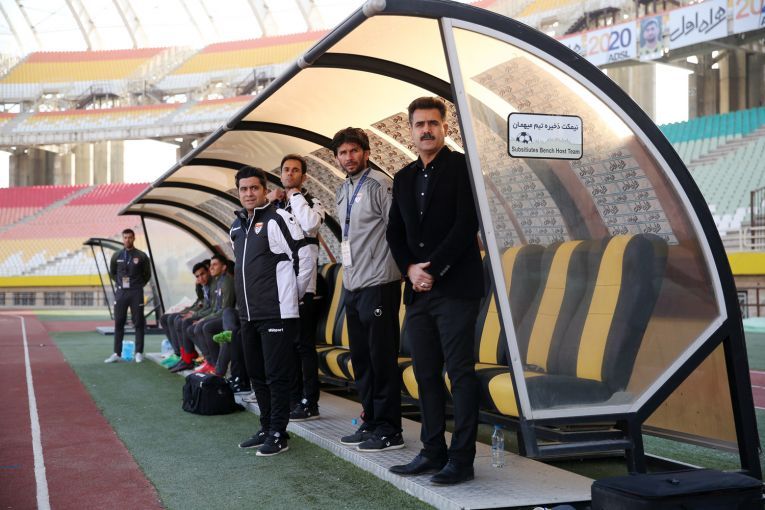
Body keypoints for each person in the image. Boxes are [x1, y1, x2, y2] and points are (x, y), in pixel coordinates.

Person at [386, 97, 484, 485]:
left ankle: (462, 459)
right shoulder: (403, 177)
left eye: (433, 123)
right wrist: (410, 269)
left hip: (457, 287)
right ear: (410, 131)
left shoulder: (463, 167)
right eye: (419, 124)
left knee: (459, 373)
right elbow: (395, 232)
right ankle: (432, 451)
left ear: (446, 128)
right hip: (418, 291)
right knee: (425, 373)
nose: (426, 130)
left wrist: (432, 270)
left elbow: (466, 224)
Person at [332, 127, 404, 452]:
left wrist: (401, 269)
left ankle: (390, 429)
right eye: (343, 153)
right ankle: (372, 421)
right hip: (353, 284)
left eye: (354, 151)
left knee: (381, 359)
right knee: (362, 360)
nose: (349, 158)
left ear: (366, 153)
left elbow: (397, 229)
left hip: (379, 283)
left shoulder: (379, 184)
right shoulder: (341, 190)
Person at [232, 166, 311, 457]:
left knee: (277, 376)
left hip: (276, 312)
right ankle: (266, 427)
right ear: (238, 192)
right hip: (248, 314)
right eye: (244, 189)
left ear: (265, 190)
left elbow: (304, 256)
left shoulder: (278, 218)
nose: (249, 193)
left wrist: (293, 295)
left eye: (254, 188)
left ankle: (279, 433)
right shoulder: (236, 227)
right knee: (257, 375)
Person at [266, 154, 325, 421]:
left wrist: (295, 195)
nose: (289, 174)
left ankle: (310, 402)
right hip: (281, 289)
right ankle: (293, 397)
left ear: (304, 176)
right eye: (286, 170)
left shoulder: (312, 202)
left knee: (304, 345)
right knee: (287, 346)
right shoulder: (275, 207)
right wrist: (270, 201)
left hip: (305, 287)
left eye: (295, 170)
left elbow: (311, 224)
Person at [105, 228, 151, 364]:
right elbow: (112, 273)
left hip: (136, 292)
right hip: (121, 293)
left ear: (134, 238)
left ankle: (138, 353)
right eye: (125, 237)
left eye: (130, 237)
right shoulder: (116, 255)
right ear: (122, 239)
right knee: (119, 322)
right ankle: (116, 353)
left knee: (139, 322)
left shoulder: (141, 256)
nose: (127, 240)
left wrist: (138, 285)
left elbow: (147, 274)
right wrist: (120, 283)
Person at [159, 261, 210, 367]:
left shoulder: (218, 283)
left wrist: (196, 315)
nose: (200, 278)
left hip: (207, 313)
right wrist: (198, 286)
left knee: (182, 321)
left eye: (202, 274)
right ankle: (180, 354)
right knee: (167, 318)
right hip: (200, 309)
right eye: (197, 276)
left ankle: (191, 357)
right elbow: (201, 299)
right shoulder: (205, 284)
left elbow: (212, 306)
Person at [192, 254, 235, 374]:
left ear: (224, 267)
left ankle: (215, 364)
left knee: (206, 327)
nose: (211, 268)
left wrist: (204, 318)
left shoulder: (227, 281)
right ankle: (210, 361)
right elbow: (214, 307)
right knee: (196, 327)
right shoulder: (219, 281)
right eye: (211, 265)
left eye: (215, 265)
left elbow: (226, 308)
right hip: (220, 315)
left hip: (228, 318)